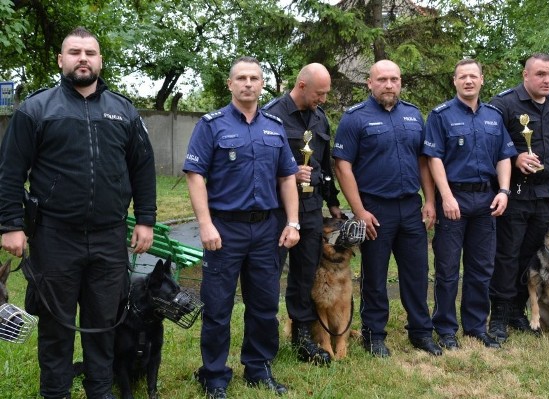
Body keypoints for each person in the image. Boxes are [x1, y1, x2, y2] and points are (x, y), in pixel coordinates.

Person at [0, 27, 157, 399]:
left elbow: (143, 168)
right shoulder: (36, 109)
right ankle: (55, 392)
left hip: (108, 237)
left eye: (90, 52)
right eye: (74, 52)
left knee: (103, 325)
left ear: (100, 60)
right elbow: (9, 172)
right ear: (61, 60)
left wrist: (146, 219)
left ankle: (99, 391)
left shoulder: (124, 111)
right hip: (54, 237)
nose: (82, 58)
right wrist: (10, 225)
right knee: (56, 327)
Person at [184, 56, 300, 399]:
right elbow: (194, 176)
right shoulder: (212, 125)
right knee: (218, 306)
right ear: (230, 84)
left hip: (267, 229)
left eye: (254, 78)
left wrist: (292, 221)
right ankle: (214, 376)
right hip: (224, 229)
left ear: (262, 85)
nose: (248, 83)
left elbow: (287, 178)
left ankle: (258, 367)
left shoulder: (275, 127)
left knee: (264, 304)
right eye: (241, 78)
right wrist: (205, 224)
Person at [333, 59, 441, 358]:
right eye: (382, 79)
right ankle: (374, 334)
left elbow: (423, 161)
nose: (389, 85)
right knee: (375, 276)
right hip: (374, 210)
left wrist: (430, 201)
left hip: (410, 207)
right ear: (370, 83)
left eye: (394, 79)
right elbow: (343, 166)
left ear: (401, 82)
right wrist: (359, 211)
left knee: (417, 273)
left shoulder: (413, 115)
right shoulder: (355, 118)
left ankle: (421, 332)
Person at [424, 59, 516, 349]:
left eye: (473, 76)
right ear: (454, 81)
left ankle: (476, 326)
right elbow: (433, 158)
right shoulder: (440, 116)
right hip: (454, 199)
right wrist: (446, 196)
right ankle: (446, 329)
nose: (468, 81)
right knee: (448, 269)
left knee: (481, 268)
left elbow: (504, 156)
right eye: (462, 76)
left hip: (487, 199)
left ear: (482, 80)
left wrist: (503, 191)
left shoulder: (494, 116)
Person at [487, 53, 549, 343]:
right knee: (507, 256)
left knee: (533, 258)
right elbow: (487, 145)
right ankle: (500, 317)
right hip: (513, 192)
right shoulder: (503, 104)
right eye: (540, 74)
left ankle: (518, 311)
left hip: (545, 195)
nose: (547, 80)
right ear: (525, 75)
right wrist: (515, 158)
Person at [262, 63, 343, 366]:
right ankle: (264, 338)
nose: (323, 98)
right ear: (301, 85)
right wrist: (288, 172)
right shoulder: (271, 115)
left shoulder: (320, 118)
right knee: (268, 275)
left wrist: (333, 202)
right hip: (276, 209)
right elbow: (257, 160)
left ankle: (302, 337)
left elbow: (324, 165)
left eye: (326, 93)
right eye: (319, 93)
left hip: (310, 209)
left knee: (305, 274)